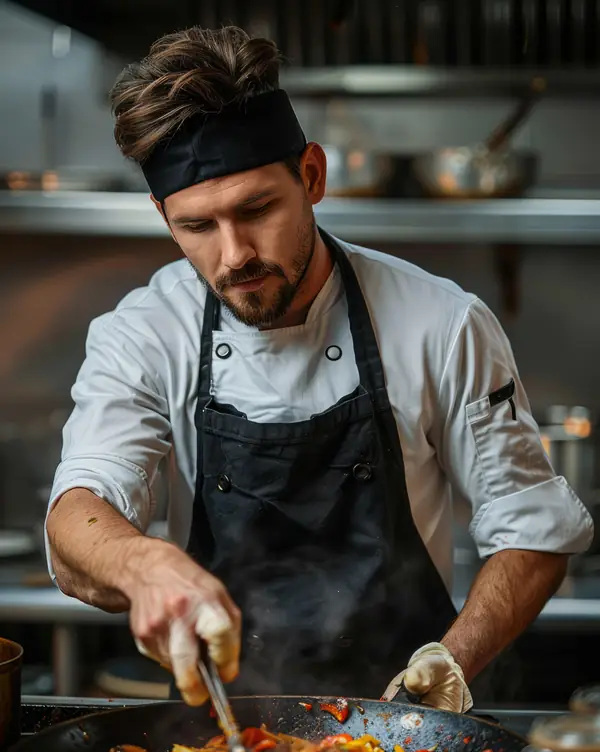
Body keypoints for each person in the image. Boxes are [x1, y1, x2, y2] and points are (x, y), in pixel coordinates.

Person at [45, 25, 593, 712]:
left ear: (311, 175)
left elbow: (534, 533)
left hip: (407, 730)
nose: (234, 254)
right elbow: (76, 519)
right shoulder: (144, 332)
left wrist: (452, 662)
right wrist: (143, 563)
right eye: (197, 226)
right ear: (163, 216)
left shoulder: (441, 323)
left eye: (256, 209)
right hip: (217, 747)